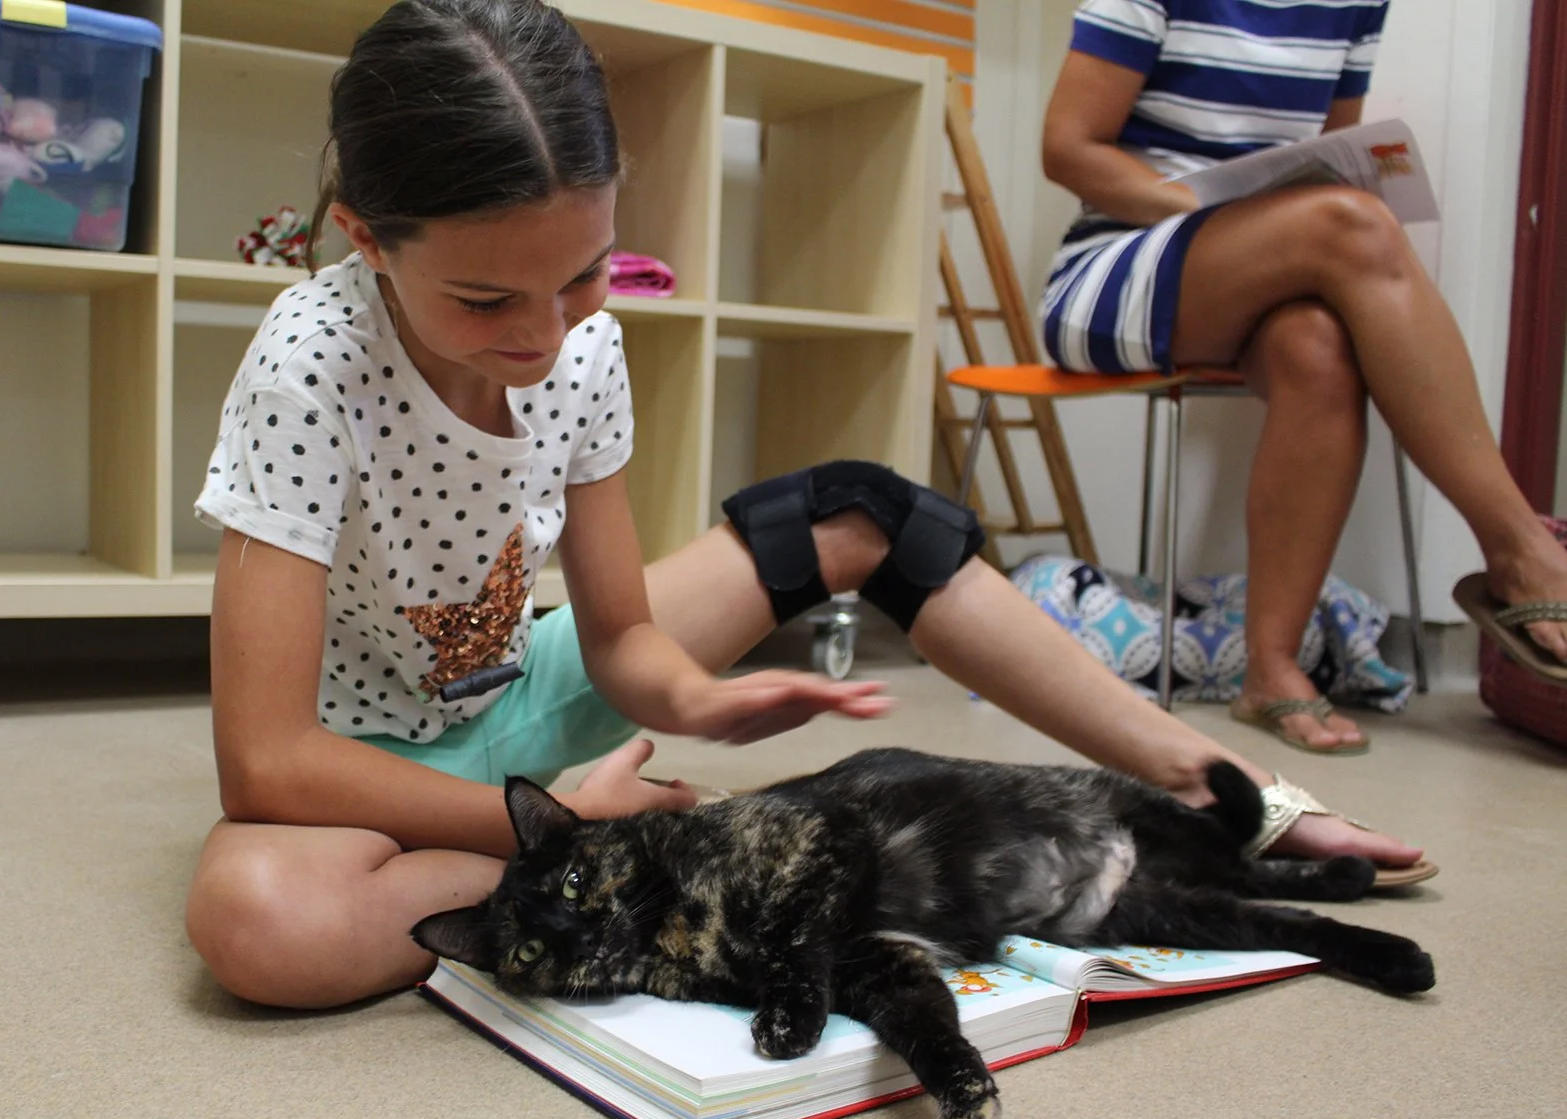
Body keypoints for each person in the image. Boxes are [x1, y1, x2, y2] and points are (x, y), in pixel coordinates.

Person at [185, 0, 1424, 1011]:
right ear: (365, 236)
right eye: (483, 301)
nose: (544, 333)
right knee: (261, 926)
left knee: (860, 509)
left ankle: (1219, 787)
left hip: (523, 689)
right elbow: (266, 761)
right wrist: (559, 829)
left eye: (582, 275)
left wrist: (699, 697)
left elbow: (619, 639)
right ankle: (603, 855)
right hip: (357, 764)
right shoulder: (310, 369)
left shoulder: (580, 343)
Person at [1040, 0, 1567, 754]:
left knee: (1318, 346)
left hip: (1246, 260)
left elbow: (1332, 151)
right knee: (1353, 225)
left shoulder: (1355, 4)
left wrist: (1280, 206)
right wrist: (1200, 207)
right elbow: (1067, 148)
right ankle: (1518, 548)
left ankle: (1272, 669)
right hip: (1115, 263)